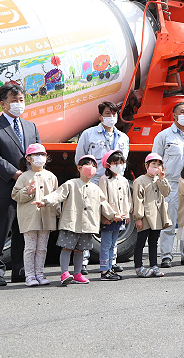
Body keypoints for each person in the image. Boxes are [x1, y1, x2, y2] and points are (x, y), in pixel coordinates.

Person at [0, 83, 41, 286]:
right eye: (14, 101)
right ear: (3, 104)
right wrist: (16, 174)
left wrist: (34, 173)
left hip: (28, 188)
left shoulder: (31, 126)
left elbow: (37, 153)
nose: (18, 104)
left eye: (21, 100)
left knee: (23, 230)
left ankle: (21, 270)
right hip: (4, 186)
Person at [33, 155, 118, 285]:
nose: (92, 168)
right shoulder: (71, 184)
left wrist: (113, 215)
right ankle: (65, 273)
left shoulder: (96, 188)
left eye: (94, 166)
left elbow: (104, 204)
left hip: (87, 224)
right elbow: (58, 195)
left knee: (80, 250)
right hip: (71, 223)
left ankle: (77, 274)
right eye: (88, 165)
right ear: (79, 168)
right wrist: (45, 201)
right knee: (66, 248)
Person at [75, 101, 129, 275]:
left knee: (113, 222)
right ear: (100, 116)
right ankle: (82, 262)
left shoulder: (123, 138)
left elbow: (123, 162)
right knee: (88, 223)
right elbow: (80, 158)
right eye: (107, 114)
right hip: (92, 182)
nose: (111, 117)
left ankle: (111, 262)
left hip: (113, 185)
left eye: (113, 114)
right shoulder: (88, 134)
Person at [152, 102, 184, 268]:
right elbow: (156, 160)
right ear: (173, 115)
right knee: (169, 223)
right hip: (172, 184)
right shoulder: (164, 136)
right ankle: (166, 255)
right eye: (182, 112)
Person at [10, 143, 58, 286]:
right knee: (30, 248)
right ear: (28, 159)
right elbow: (15, 195)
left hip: (46, 217)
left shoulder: (51, 177)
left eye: (42, 155)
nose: (39, 158)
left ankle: (40, 274)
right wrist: (28, 192)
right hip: (30, 219)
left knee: (42, 248)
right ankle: (29, 276)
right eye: (36, 155)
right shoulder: (24, 177)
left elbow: (57, 196)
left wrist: (57, 213)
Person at [132, 153, 172, 277]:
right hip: (145, 216)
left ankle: (154, 265)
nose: (156, 167)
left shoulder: (159, 179)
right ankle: (139, 267)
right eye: (153, 164)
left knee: (154, 242)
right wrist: (138, 218)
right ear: (146, 165)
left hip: (157, 216)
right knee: (141, 242)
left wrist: (162, 179)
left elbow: (166, 192)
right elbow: (137, 200)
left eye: (159, 164)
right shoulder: (140, 180)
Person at [98, 150, 131, 281]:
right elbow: (102, 199)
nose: (119, 165)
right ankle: (104, 270)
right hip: (109, 218)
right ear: (108, 164)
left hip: (120, 218)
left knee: (113, 243)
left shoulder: (123, 180)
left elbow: (128, 198)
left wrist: (127, 213)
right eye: (115, 162)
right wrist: (110, 215)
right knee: (106, 244)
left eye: (121, 162)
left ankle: (111, 266)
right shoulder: (104, 179)